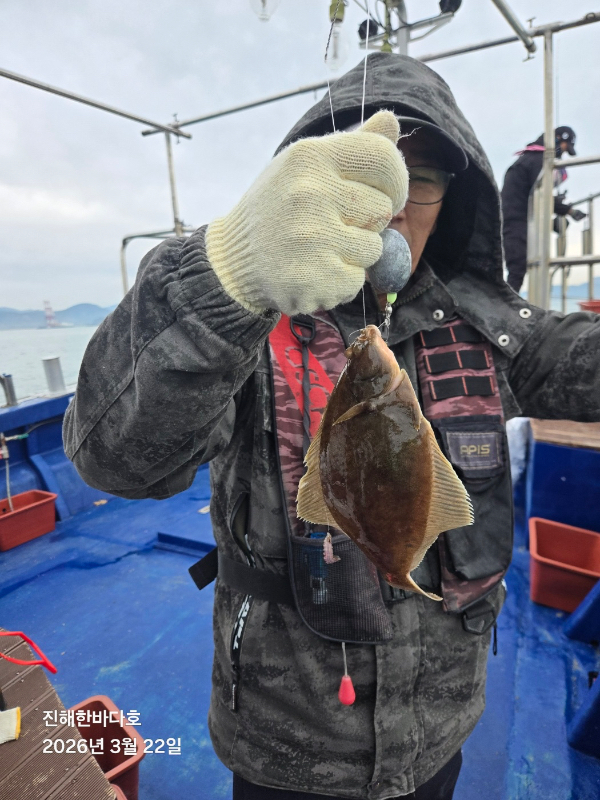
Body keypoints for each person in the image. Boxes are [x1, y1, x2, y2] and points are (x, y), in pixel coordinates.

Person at [63, 53, 600, 800]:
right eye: (366, 171)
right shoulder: (247, 319)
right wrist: (225, 276)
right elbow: (116, 459)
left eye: (424, 177)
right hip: (286, 746)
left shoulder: (489, 324)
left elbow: (581, 359)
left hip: (441, 729)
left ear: (453, 199)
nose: (392, 203)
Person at [501, 126, 586, 292]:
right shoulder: (538, 161)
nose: (563, 153)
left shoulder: (530, 158)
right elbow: (542, 196)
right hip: (516, 219)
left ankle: (506, 304)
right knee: (517, 267)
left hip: (517, 217)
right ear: (557, 140)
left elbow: (537, 197)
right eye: (565, 148)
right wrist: (569, 211)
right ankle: (504, 309)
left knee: (517, 266)